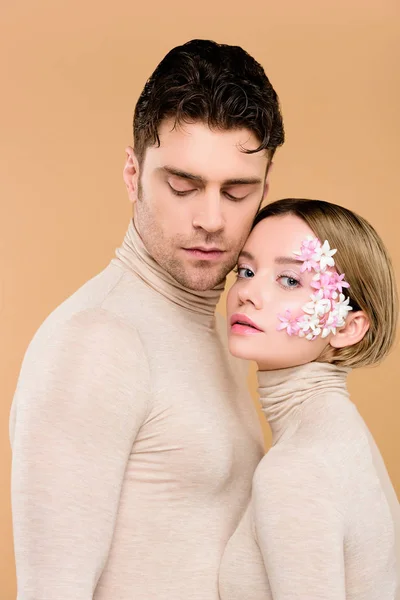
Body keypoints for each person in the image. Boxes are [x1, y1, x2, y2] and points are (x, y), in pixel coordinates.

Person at [9, 39, 284, 600]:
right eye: (182, 186)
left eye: (236, 192)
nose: (211, 219)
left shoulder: (219, 325)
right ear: (132, 174)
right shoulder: (96, 343)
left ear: (265, 191)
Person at [219, 198, 400, 600]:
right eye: (245, 271)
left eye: (289, 280)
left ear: (350, 328)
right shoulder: (340, 434)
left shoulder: (297, 468)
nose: (248, 292)